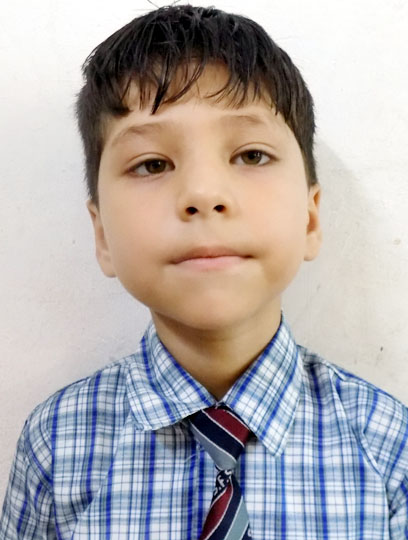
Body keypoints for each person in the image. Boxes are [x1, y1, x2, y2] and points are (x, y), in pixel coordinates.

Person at [1, 4, 407, 539]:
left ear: (310, 218)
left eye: (251, 155)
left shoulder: (388, 447)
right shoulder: (57, 444)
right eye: (152, 164)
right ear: (101, 235)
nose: (203, 194)